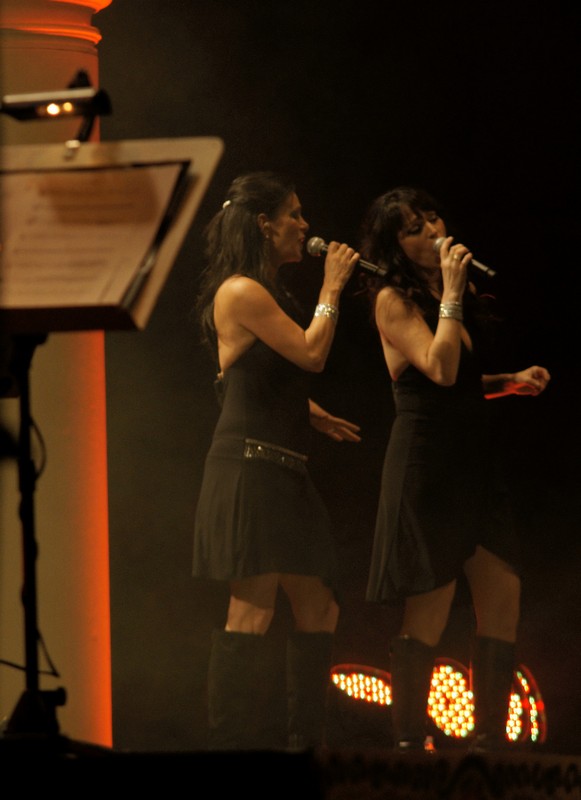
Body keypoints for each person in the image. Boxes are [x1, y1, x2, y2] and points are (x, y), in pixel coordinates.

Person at [358, 186, 551, 753]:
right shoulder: (392, 300)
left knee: (504, 594)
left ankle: (487, 746)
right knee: (430, 605)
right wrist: (451, 293)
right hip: (429, 464)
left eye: (432, 217)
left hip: (474, 461)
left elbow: (460, 383)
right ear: (395, 246)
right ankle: (409, 745)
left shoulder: (445, 296)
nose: (432, 230)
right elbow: (438, 370)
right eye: (414, 228)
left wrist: (509, 381)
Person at [192, 171, 361, 751]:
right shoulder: (240, 290)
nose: (304, 225)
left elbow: (247, 375)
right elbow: (311, 353)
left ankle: (304, 747)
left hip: (284, 468)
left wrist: (309, 413)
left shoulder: (267, 291)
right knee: (252, 612)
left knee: (320, 606)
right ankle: (230, 750)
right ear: (264, 224)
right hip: (251, 467)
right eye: (294, 214)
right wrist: (333, 284)